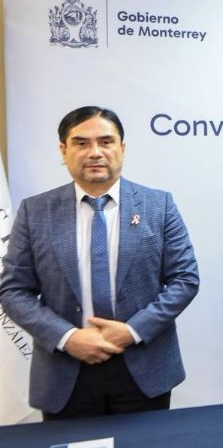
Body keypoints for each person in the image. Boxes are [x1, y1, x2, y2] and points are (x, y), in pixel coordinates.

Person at [0, 106, 200, 419]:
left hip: (143, 368)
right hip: (65, 371)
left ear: (122, 148)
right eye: (81, 143)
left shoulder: (158, 205)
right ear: (63, 151)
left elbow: (185, 279)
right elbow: (13, 291)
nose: (95, 152)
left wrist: (132, 330)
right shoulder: (35, 211)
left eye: (106, 142)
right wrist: (68, 337)